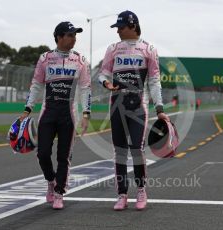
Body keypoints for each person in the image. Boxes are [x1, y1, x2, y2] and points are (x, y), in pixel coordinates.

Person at [98, 10, 169, 211]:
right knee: (119, 151)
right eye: (117, 28)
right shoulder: (113, 49)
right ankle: (122, 194)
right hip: (116, 105)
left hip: (139, 106)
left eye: (121, 27)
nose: (118, 31)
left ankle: (141, 191)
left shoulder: (149, 49)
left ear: (132, 26)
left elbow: (155, 81)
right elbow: (102, 74)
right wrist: (107, 84)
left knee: (136, 150)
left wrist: (160, 108)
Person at [20, 21, 91, 210]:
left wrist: (86, 113)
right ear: (59, 37)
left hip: (68, 114)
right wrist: (27, 109)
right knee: (42, 153)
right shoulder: (45, 58)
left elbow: (85, 88)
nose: (74, 38)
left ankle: (59, 192)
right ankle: (51, 180)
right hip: (48, 112)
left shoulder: (80, 60)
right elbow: (36, 84)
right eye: (70, 35)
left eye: (75, 35)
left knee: (64, 157)